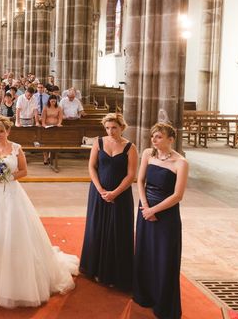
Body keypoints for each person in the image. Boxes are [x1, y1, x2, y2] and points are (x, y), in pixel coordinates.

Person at [0, 116, 78, 308]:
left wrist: (8, 176)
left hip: (11, 193)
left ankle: (18, 280)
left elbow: (24, 171)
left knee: (15, 233)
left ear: (8, 132)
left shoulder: (16, 148)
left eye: (1, 131)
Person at [133, 122, 188, 319]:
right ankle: (144, 294)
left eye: (159, 137)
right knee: (145, 253)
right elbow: (140, 181)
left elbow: (178, 195)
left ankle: (163, 304)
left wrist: (154, 210)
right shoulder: (148, 154)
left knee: (165, 258)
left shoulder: (180, 163)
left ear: (171, 139)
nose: (154, 140)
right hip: (145, 210)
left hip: (167, 216)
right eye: (153, 136)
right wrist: (146, 207)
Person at [80, 113, 137, 291]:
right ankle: (94, 268)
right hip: (99, 193)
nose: (110, 131)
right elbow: (92, 167)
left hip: (120, 195)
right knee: (96, 228)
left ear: (121, 127)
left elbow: (131, 175)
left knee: (117, 231)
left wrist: (115, 193)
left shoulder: (130, 147)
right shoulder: (98, 142)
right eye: (107, 128)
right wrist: (100, 189)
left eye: (114, 128)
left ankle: (114, 273)